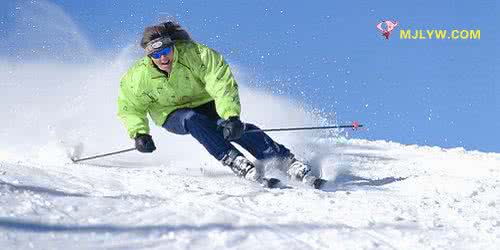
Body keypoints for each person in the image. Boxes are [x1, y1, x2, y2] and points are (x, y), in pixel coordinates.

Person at [117, 21, 320, 187]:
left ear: (172, 46)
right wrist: (140, 134)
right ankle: (233, 159)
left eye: (166, 51)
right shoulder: (138, 77)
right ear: (148, 56)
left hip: (206, 102)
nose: (163, 58)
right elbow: (130, 107)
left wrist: (231, 116)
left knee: (230, 129)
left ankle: (285, 160)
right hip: (171, 114)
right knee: (192, 119)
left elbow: (220, 82)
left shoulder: (196, 54)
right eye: (156, 55)